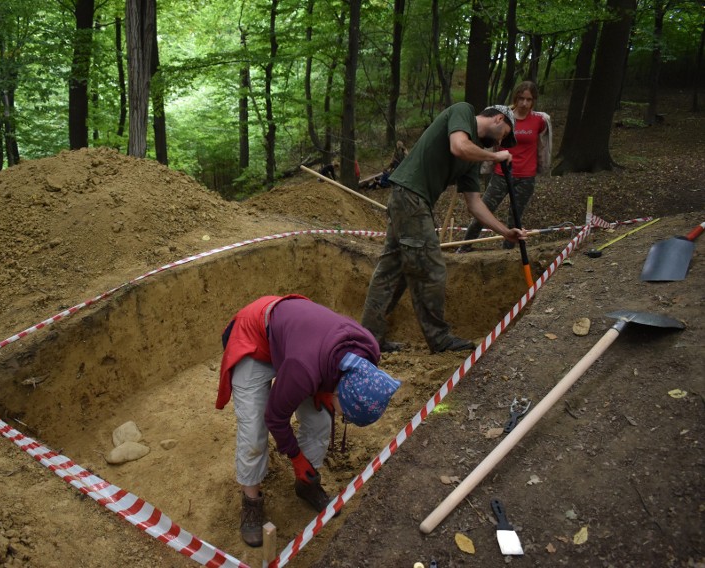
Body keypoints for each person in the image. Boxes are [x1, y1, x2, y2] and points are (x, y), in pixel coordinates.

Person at [216, 295, 402, 547]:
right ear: (340, 391)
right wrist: (296, 457)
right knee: (254, 430)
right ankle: (251, 500)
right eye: (345, 414)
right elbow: (275, 417)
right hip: (256, 337)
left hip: (299, 343)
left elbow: (328, 363)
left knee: (320, 420)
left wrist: (325, 392)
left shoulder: (367, 353)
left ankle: (306, 484)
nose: (342, 419)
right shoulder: (304, 369)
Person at [360, 103, 528, 354]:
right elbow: (458, 146)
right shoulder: (463, 112)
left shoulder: (474, 157)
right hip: (410, 197)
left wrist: (505, 231)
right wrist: (495, 158)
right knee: (431, 268)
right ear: (498, 118)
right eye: (506, 133)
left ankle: (369, 339)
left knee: (391, 273)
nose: (503, 142)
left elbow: (474, 204)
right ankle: (439, 339)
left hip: (410, 201)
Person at [457, 82, 552, 252]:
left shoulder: (539, 121)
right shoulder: (504, 117)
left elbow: (543, 146)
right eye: (521, 98)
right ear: (516, 97)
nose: (524, 103)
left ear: (534, 101)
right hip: (502, 174)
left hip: (526, 177)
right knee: (483, 211)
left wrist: (543, 166)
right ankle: (464, 248)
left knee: (515, 219)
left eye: (529, 99)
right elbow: (490, 142)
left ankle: (507, 253)